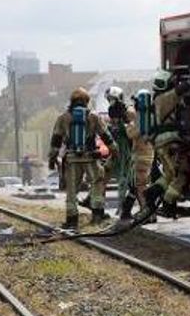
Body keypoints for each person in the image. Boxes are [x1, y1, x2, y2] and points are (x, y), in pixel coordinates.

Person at [48, 87, 118, 229]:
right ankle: (97, 215)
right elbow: (106, 136)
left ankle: (72, 220)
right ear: (87, 101)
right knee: (97, 183)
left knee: (72, 190)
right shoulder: (93, 116)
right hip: (91, 157)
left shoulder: (63, 118)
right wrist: (115, 151)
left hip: (72, 159)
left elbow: (56, 141)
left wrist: (52, 159)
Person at [136, 68, 190, 220]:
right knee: (181, 175)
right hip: (170, 143)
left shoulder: (157, 99)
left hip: (161, 144)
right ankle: (168, 204)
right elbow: (185, 88)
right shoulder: (165, 98)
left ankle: (152, 193)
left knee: (169, 174)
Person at [79, 86, 131, 214]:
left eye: (112, 99)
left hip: (126, 150)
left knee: (123, 180)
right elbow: (113, 130)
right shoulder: (113, 110)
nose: (110, 101)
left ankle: (122, 208)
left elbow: (129, 130)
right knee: (102, 175)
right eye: (109, 99)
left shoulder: (127, 111)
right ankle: (92, 201)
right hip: (116, 150)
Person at [119, 88, 156, 220]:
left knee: (141, 187)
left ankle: (147, 214)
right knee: (142, 185)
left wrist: (127, 124)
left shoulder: (139, 120)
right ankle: (140, 212)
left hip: (140, 157)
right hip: (151, 155)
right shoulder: (152, 117)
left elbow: (131, 134)